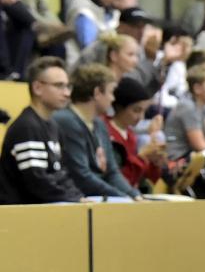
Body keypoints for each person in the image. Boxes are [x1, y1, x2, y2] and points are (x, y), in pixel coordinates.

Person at [0, 57, 84, 204]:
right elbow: (36, 181)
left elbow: (61, 173)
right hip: (22, 214)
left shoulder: (53, 125)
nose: (67, 93)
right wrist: (74, 200)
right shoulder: (27, 126)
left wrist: (79, 197)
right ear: (37, 88)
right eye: (59, 86)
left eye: (68, 86)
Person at [53, 64, 141, 199]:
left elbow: (112, 172)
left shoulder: (99, 123)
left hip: (97, 197)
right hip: (78, 199)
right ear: (97, 93)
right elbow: (81, 176)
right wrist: (123, 198)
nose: (113, 99)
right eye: (111, 92)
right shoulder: (66, 121)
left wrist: (134, 195)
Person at [104, 77, 165, 190]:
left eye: (144, 111)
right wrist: (142, 156)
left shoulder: (130, 135)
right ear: (119, 107)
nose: (141, 117)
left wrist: (155, 162)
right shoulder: (106, 132)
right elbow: (120, 178)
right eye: (136, 110)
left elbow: (146, 178)